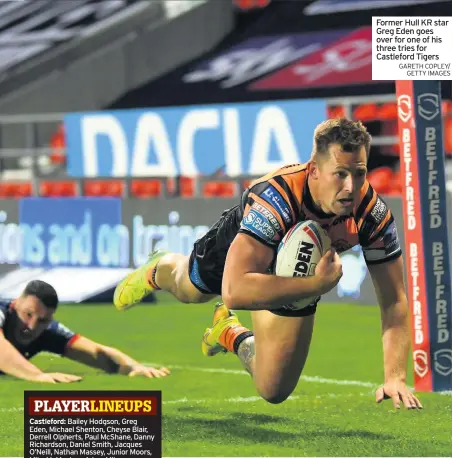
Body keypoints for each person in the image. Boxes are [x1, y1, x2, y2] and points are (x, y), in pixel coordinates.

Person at [114, 118, 422, 410]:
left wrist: (394, 377)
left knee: (273, 390)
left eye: (359, 173)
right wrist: (314, 285)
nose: (351, 187)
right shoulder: (277, 199)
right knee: (190, 290)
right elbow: (234, 291)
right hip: (249, 256)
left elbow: (394, 300)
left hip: (296, 268)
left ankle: (229, 333)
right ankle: (160, 268)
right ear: (314, 170)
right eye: (340, 173)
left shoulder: (372, 214)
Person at [0, 280, 170, 383]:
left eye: (43, 320)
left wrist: (133, 367)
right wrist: (36, 376)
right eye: (28, 314)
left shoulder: (47, 331)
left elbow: (97, 352)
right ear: (15, 304)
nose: (31, 325)